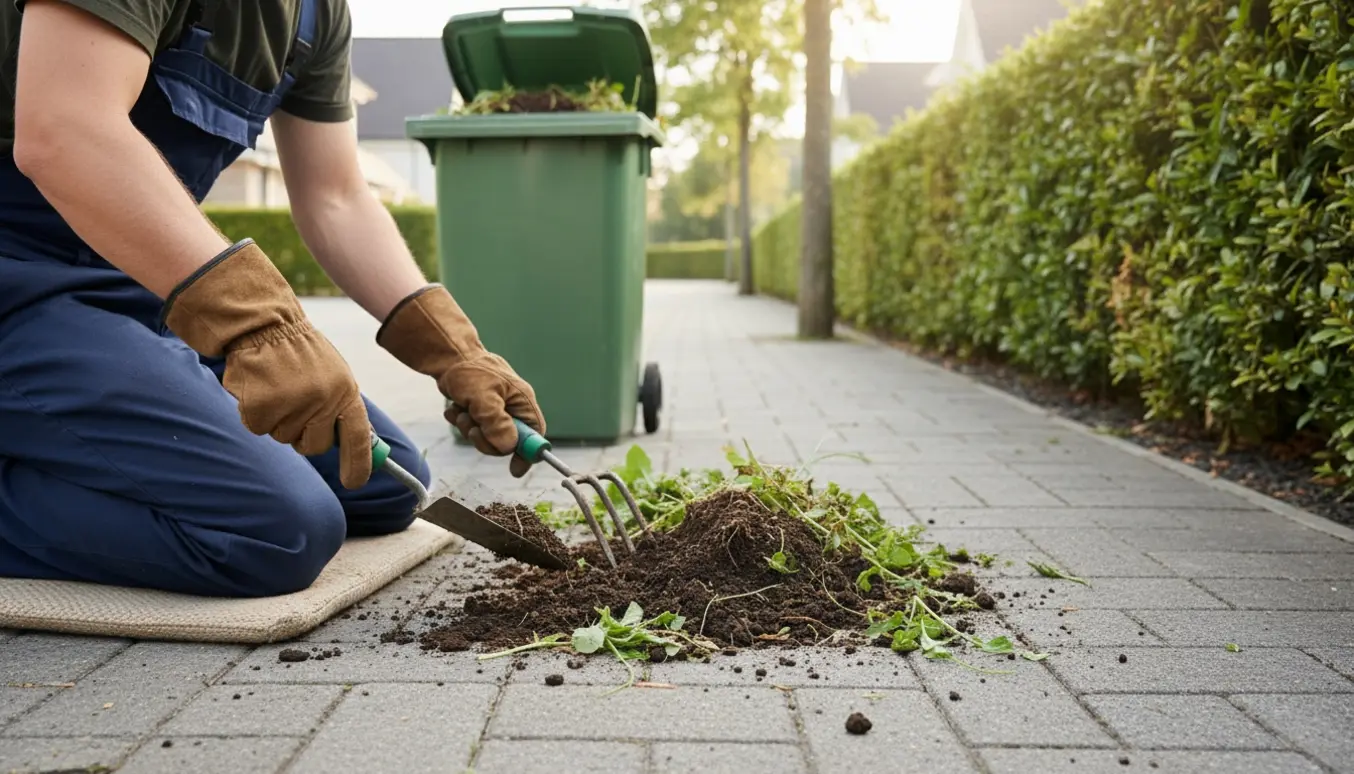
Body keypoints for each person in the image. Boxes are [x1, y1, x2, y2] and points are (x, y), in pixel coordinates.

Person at [0, 0, 546, 598]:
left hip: (138, 286)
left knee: (381, 483)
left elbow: (336, 196)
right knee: (277, 531)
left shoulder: (317, 16)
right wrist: (259, 324)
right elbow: (65, 129)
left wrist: (453, 350)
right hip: (18, 284)